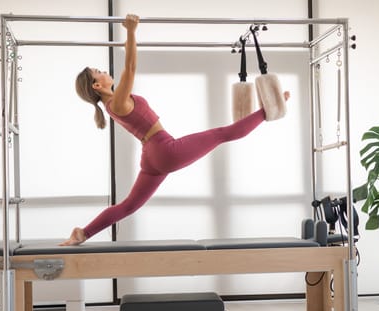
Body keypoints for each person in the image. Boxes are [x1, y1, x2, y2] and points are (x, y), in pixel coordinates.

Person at [60, 14, 289, 246]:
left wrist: (130, 34)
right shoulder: (116, 102)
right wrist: (130, 31)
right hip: (164, 150)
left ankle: (82, 233)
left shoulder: (113, 105)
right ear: (97, 85)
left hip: (152, 157)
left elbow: (128, 70)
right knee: (222, 134)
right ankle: (271, 108)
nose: (104, 71)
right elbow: (129, 67)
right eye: (98, 71)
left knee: (128, 205)